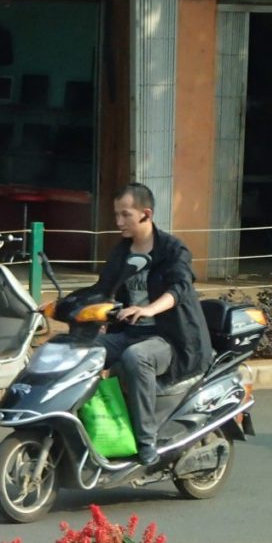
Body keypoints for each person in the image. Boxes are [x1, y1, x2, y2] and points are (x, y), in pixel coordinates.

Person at [89, 182, 212, 465]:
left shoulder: (172, 249)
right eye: (116, 215)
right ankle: (93, 426)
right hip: (129, 332)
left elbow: (178, 289)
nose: (118, 221)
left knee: (136, 358)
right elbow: (102, 289)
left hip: (169, 339)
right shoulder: (121, 252)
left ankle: (147, 443)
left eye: (125, 215)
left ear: (145, 214)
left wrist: (148, 309)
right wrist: (61, 308)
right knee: (83, 350)